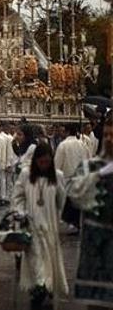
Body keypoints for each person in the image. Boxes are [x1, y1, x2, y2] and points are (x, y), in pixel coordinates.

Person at [12, 143, 68, 307]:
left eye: (47, 162)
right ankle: (40, 287)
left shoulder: (57, 176)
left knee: (49, 259)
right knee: (36, 259)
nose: (43, 165)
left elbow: (62, 201)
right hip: (31, 225)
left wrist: (62, 219)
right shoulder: (25, 175)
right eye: (41, 162)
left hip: (50, 226)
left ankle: (47, 286)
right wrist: (20, 213)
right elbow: (17, 197)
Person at [66, 117, 113, 307]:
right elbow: (74, 193)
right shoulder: (90, 166)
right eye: (107, 134)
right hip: (96, 249)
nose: (109, 139)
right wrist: (100, 175)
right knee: (97, 302)